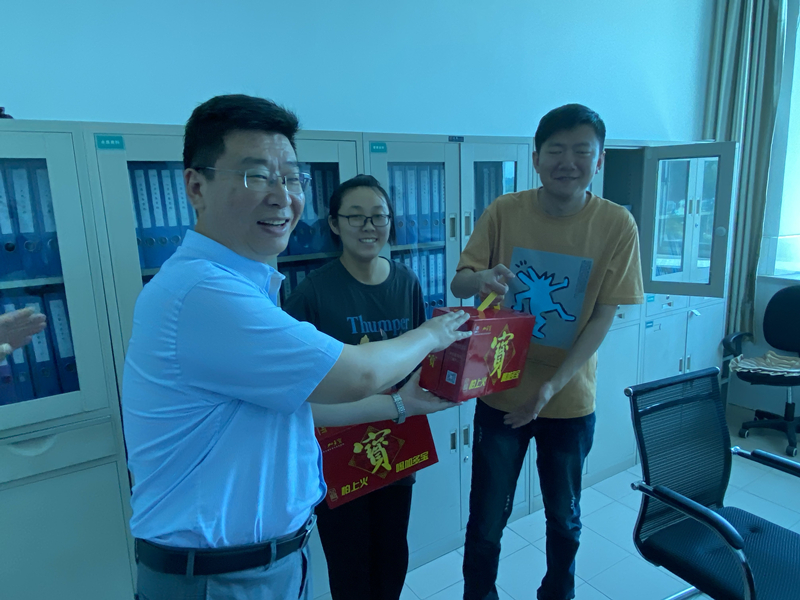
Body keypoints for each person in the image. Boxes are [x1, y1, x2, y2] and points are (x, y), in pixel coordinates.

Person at [122, 94, 471, 600]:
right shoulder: (203, 293)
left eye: (291, 178)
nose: (281, 195)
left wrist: (403, 404)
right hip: (218, 578)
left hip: (264, 562)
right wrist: (435, 333)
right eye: (256, 175)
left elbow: (300, 406)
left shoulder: (247, 286)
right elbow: (358, 373)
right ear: (196, 186)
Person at [451, 104, 644, 600]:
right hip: (501, 394)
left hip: (568, 402)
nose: (568, 162)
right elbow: (460, 282)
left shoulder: (616, 224)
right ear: (536, 158)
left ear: (599, 160)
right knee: (486, 521)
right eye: (555, 150)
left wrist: (552, 387)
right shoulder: (505, 210)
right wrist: (482, 278)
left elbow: (602, 316)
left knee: (564, 518)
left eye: (582, 151)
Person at [283, 174, 425, 600]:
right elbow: (292, 384)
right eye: (356, 217)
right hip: (337, 451)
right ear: (334, 223)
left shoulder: (407, 282)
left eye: (379, 216)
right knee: (350, 569)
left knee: (392, 558)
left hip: (396, 443)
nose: (369, 227)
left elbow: (419, 358)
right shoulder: (313, 292)